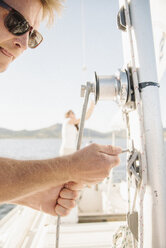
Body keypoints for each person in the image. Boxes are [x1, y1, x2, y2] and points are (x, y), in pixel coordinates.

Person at [0, 0, 122, 218]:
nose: (25, 44)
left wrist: (31, 195)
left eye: (33, 35)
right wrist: (69, 167)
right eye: (16, 22)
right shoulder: (70, 122)